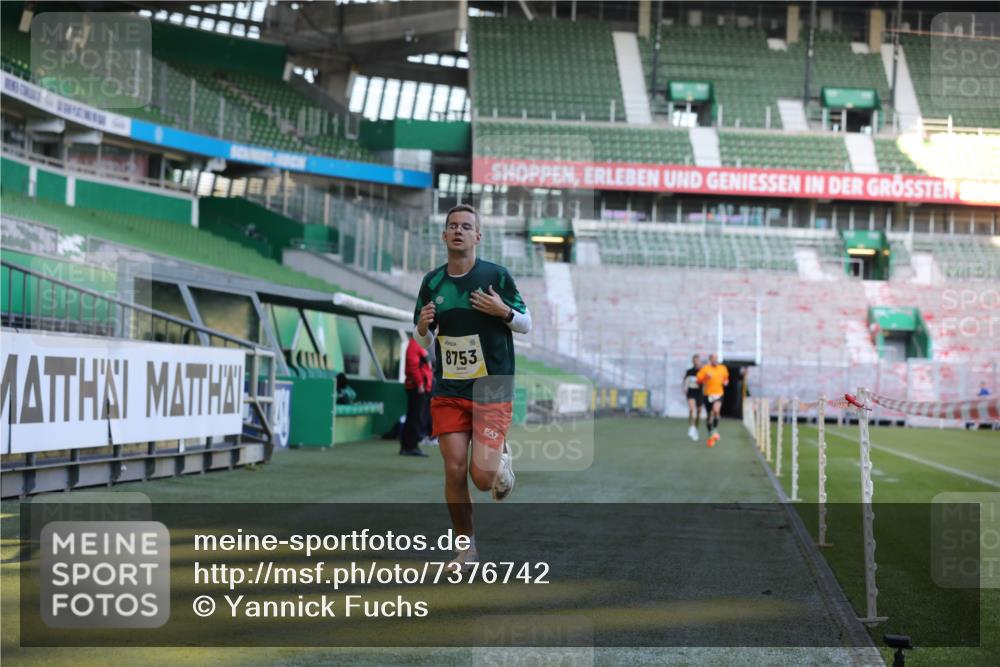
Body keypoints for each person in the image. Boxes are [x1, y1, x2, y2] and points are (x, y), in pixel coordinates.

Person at [413, 203, 531, 568]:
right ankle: (466, 549)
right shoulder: (433, 282)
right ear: (444, 235)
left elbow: (527, 323)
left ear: (478, 236)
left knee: (481, 479)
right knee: (452, 469)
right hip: (449, 391)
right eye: (453, 226)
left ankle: (500, 459)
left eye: (466, 226)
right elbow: (421, 341)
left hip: (491, 387)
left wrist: (503, 312)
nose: (459, 231)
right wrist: (420, 326)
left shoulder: (496, 276)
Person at [400, 334, 432, 457]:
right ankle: (410, 446)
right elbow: (412, 365)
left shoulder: (422, 344)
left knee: (416, 417)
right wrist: (420, 384)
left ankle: (409, 446)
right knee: (415, 417)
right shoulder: (415, 343)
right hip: (417, 387)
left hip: (422, 387)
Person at [696, 353, 729, 448]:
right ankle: (710, 431)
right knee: (709, 415)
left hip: (718, 394)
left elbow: (726, 378)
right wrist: (706, 377)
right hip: (708, 394)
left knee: (716, 410)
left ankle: (715, 429)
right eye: (713, 358)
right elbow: (698, 381)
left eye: (716, 358)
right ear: (710, 359)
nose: (715, 360)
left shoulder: (723, 368)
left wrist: (726, 382)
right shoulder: (705, 369)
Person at [683, 354, 704, 441]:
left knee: (698, 412)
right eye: (695, 361)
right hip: (691, 393)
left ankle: (695, 428)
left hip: (699, 393)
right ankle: (691, 427)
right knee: (692, 409)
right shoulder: (689, 371)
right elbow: (685, 380)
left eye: (698, 361)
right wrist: (685, 388)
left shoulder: (703, 371)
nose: (697, 362)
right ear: (693, 362)